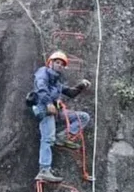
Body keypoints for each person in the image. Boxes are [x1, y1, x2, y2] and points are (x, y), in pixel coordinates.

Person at [30, 51, 92, 183]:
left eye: (62, 64)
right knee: (48, 138)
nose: (59, 65)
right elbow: (41, 87)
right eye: (57, 62)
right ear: (50, 63)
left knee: (83, 117)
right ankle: (44, 170)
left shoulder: (57, 83)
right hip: (45, 109)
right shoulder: (43, 72)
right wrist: (47, 103)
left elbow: (70, 92)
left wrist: (80, 86)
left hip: (55, 111)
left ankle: (62, 137)